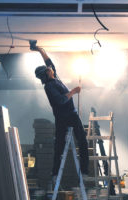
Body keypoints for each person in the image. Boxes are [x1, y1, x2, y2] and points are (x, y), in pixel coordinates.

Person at [33, 46, 89, 180]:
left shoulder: (54, 78)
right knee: (60, 145)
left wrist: (40, 50)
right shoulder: (49, 86)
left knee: (81, 141)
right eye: (48, 69)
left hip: (71, 114)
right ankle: (56, 172)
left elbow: (49, 62)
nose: (50, 68)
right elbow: (61, 100)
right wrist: (74, 91)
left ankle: (84, 171)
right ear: (47, 74)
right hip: (64, 117)